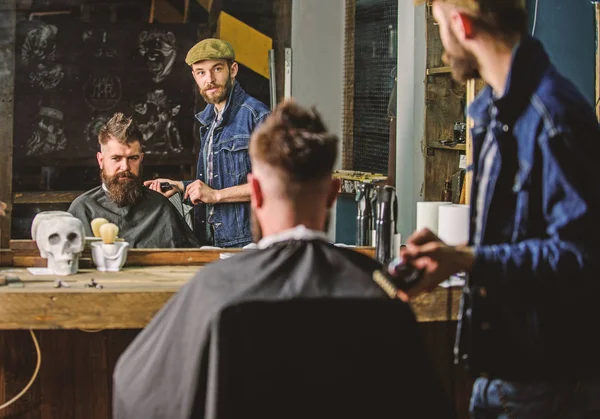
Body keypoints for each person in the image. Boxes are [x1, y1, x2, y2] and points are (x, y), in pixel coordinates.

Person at [112, 101, 417, 418]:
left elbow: (134, 387)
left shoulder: (214, 288)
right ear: (332, 192)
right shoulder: (379, 289)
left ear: (254, 191)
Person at [399, 0, 600, 417]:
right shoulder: (492, 111)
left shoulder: (554, 117)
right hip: (495, 373)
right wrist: (453, 255)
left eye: (439, 26)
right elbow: (517, 238)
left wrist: (467, 258)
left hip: (547, 386)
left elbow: (581, 258)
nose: (442, 45)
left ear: (461, 24)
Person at [145, 38, 270, 248]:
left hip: (247, 244)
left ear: (233, 70)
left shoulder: (257, 116)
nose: (209, 79)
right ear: (194, 76)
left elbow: (272, 186)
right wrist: (181, 187)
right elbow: (217, 183)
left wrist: (216, 195)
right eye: (201, 72)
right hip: (210, 241)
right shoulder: (209, 121)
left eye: (217, 69)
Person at [68, 113, 199, 249]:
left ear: (141, 159)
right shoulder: (83, 209)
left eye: (133, 158)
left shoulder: (160, 207)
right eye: (116, 158)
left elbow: (190, 257)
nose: (125, 167)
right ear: (101, 160)